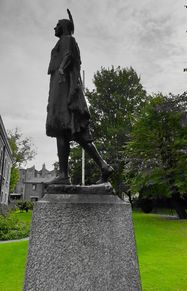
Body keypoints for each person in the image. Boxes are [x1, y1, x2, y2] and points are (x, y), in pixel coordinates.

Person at [46, 9, 113, 184]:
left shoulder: (67, 40)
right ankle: (97, 168)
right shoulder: (62, 42)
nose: (55, 27)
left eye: (57, 25)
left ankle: (65, 174)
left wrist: (61, 70)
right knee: (66, 133)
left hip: (65, 94)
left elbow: (68, 57)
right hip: (58, 93)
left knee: (68, 132)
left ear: (64, 27)